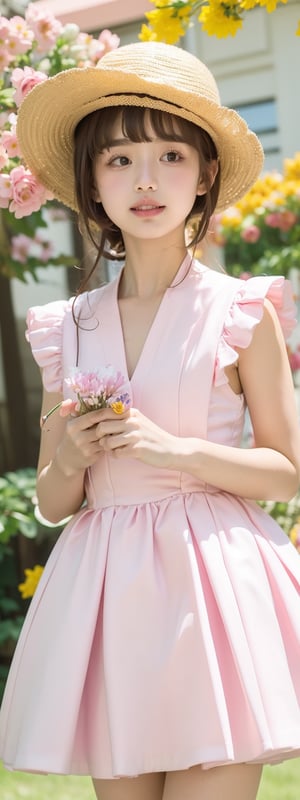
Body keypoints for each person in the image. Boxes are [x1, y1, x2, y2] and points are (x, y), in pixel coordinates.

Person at [0, 41, 299, 800]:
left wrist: (180, 451)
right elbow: (52, 500)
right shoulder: (64, 326)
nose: (146, 180)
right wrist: (69, 457)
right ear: (91, 182)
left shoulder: (241, 311)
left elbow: (289, 472)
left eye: (170, 155)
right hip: (111, 600)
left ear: (203, 177)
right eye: (120, 159)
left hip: (219, 597)